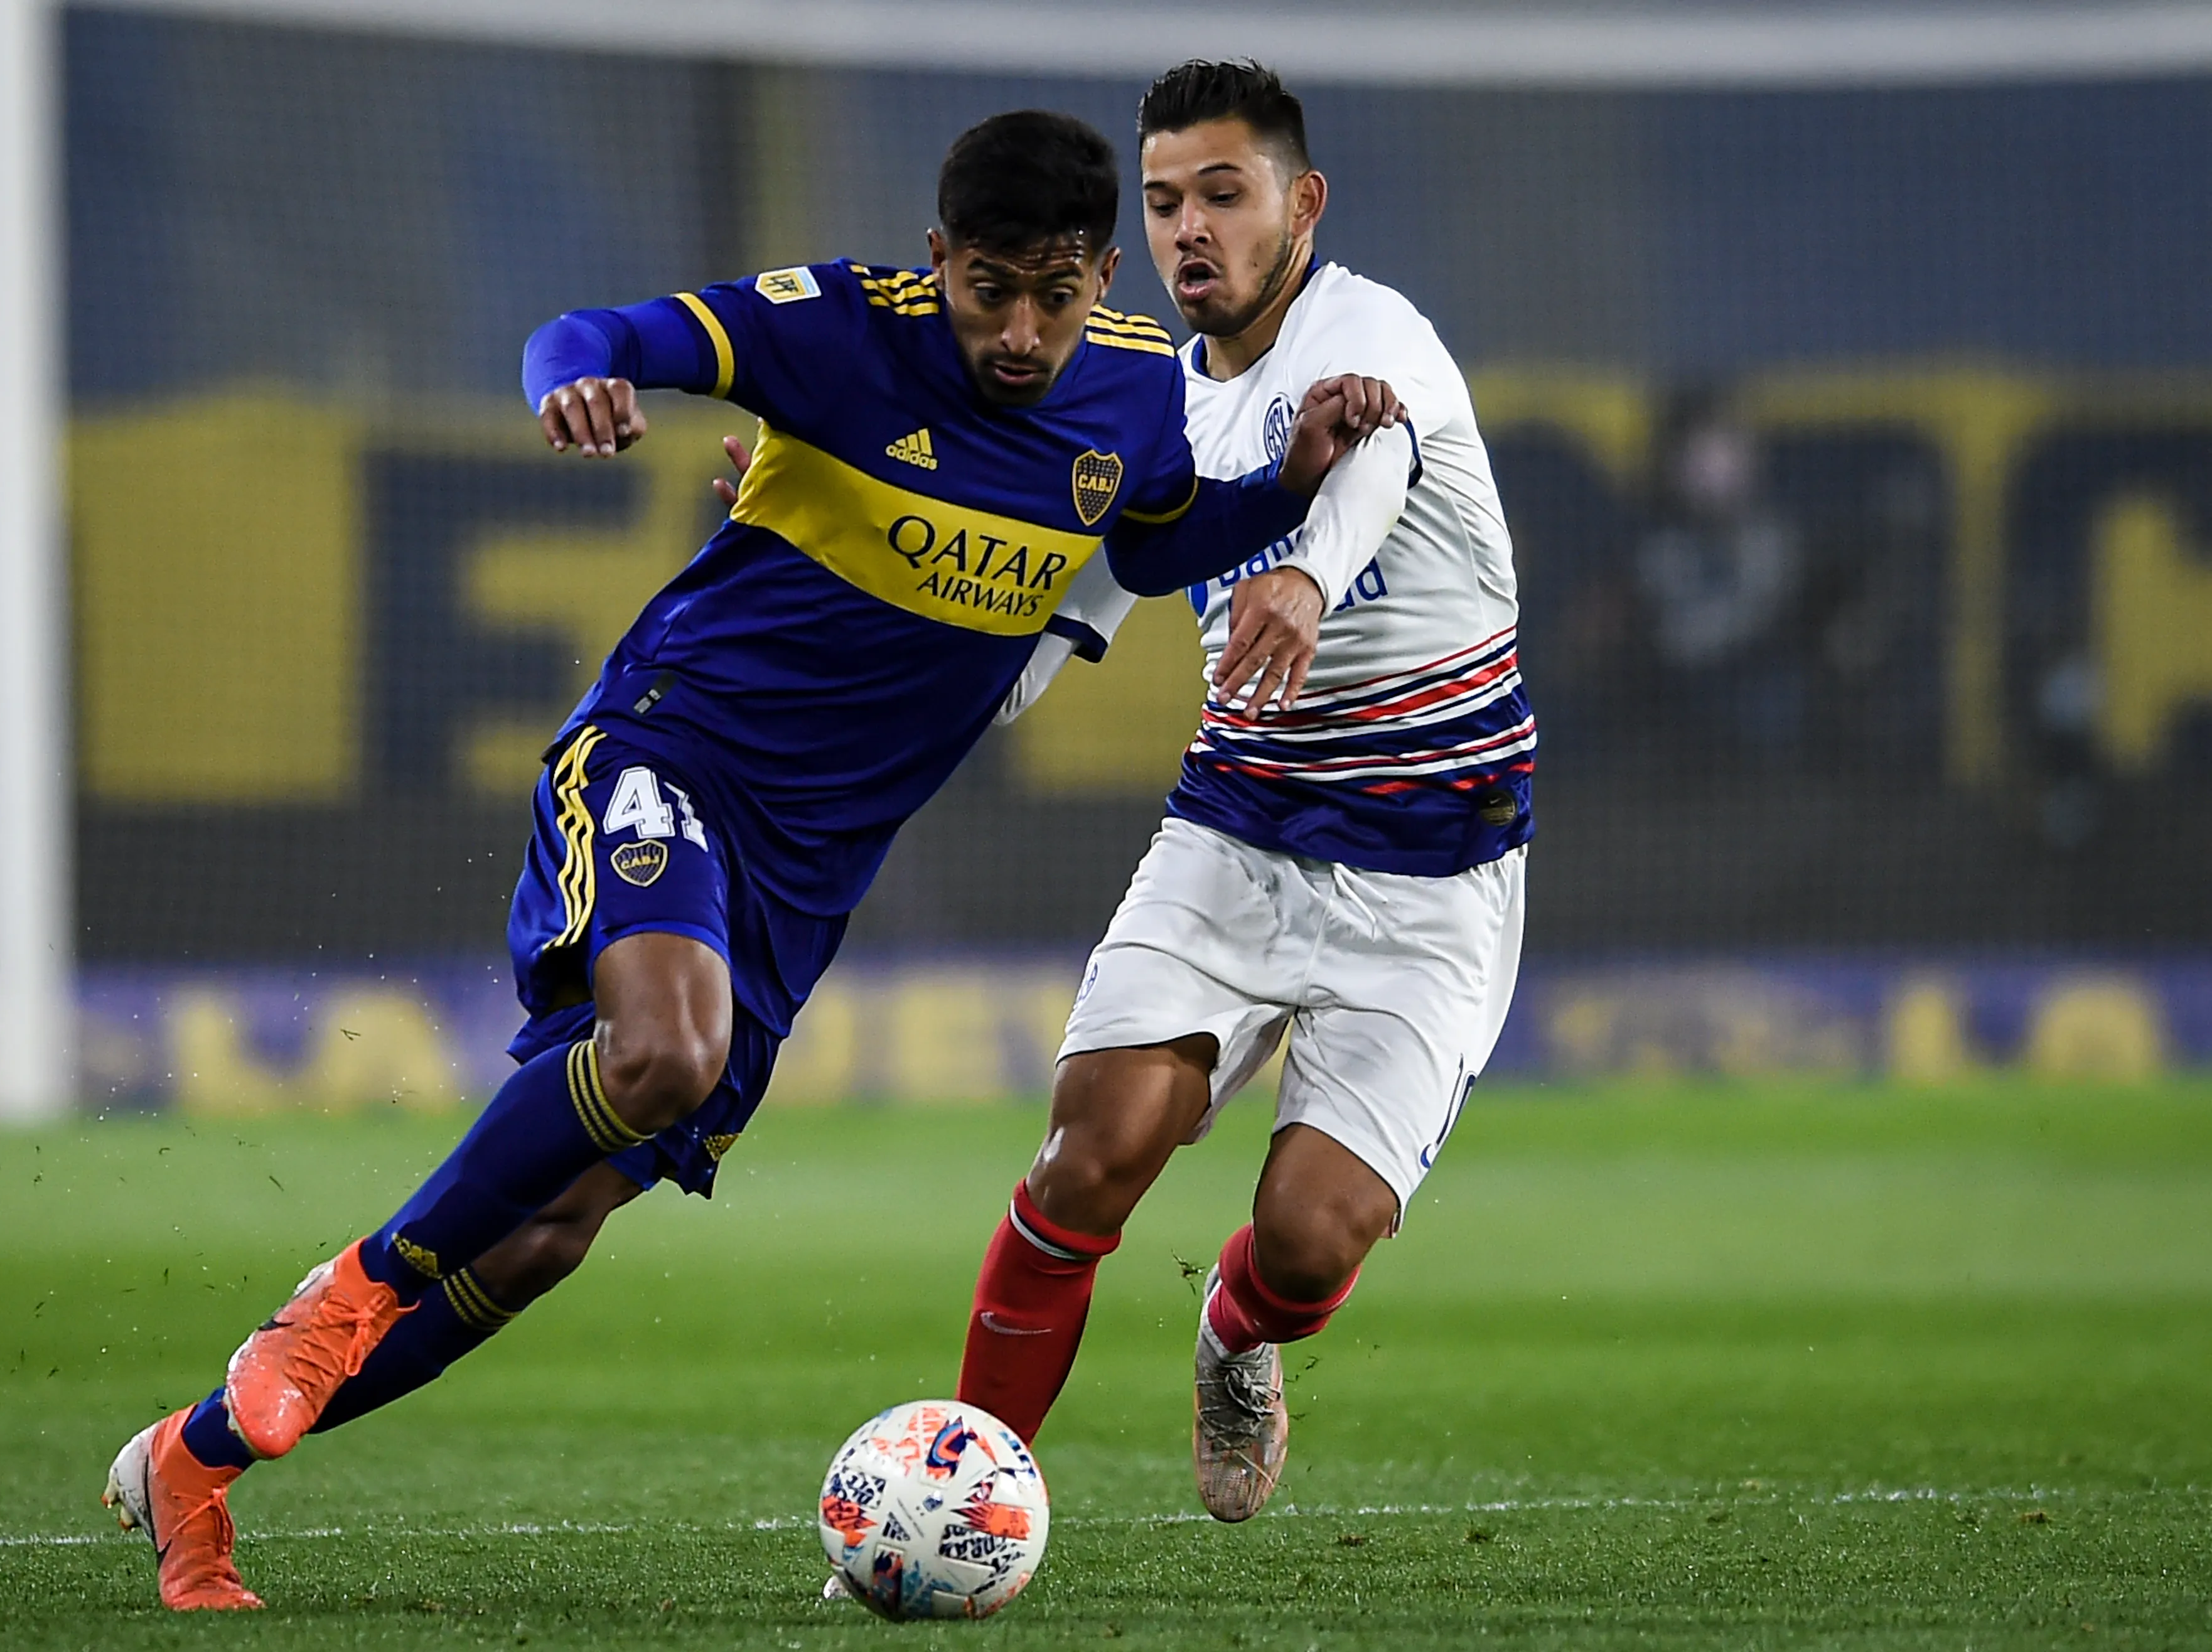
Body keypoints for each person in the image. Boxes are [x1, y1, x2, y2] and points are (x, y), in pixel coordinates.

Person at [99, 107, 1402, 1611]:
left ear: (1100, 273)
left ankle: (193, 1461)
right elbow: (589, 327)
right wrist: (572, 376)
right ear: (940, 262)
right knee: (664, 1047)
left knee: (545, 1233)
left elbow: (1160, 537)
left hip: (802, 878)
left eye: (1054, 292)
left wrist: (1294, 481)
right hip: (667, 750)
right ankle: (348, 1296)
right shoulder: (844, 328)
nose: (1023, 331)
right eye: (990, 289)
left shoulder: (1129, 391)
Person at [953, 61, 1536, 1524]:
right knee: (1091, 1151)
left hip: (1429, 871)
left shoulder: (1368, 327)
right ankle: (953, 1488)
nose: (1190, 229)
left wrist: (1304, 569)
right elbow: (1046, 624)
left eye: (1224, 192)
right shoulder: (1142, 402)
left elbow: (1377, 451)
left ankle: (1238, 1326)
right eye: (1164, 203)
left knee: (1310, 1236)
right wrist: (879, 645)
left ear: (1302, 201)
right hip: (1239, 831)